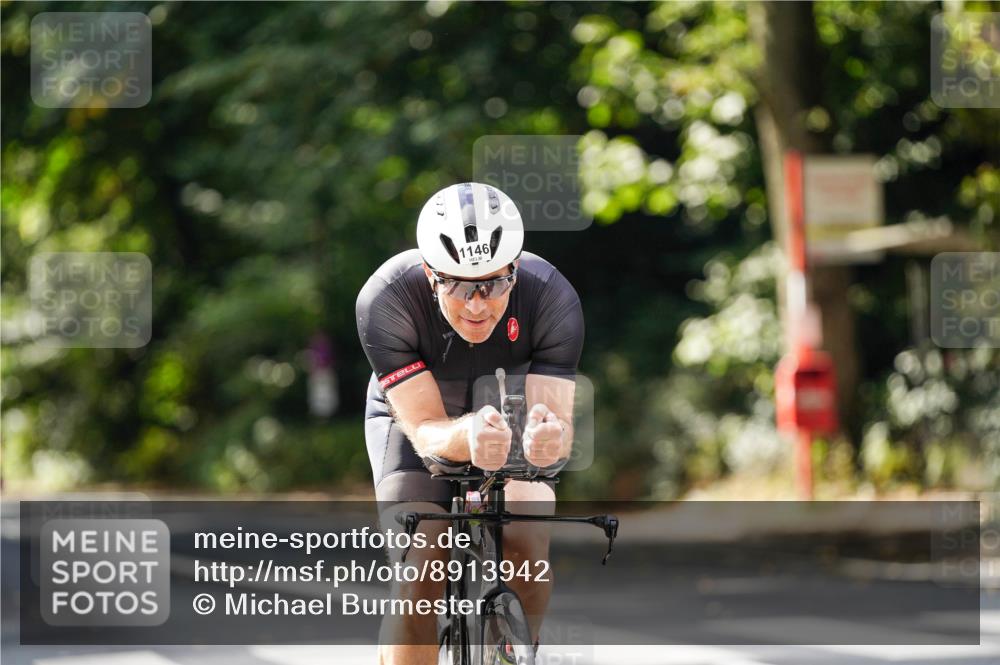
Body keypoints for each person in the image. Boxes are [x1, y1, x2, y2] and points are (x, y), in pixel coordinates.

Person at [356, 182, 584, 665]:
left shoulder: (551, 296)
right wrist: (468, 435)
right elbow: (427, 430)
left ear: (515, 270)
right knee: (421, 566)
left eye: (492, 283)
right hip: (414, 420)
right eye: (457, 285)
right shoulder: (387, 298)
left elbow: (555, 424)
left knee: (528, 539)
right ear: (429, 274)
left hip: (508, 413)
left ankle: (514, 652)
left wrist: (548, 440)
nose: (476, 304)